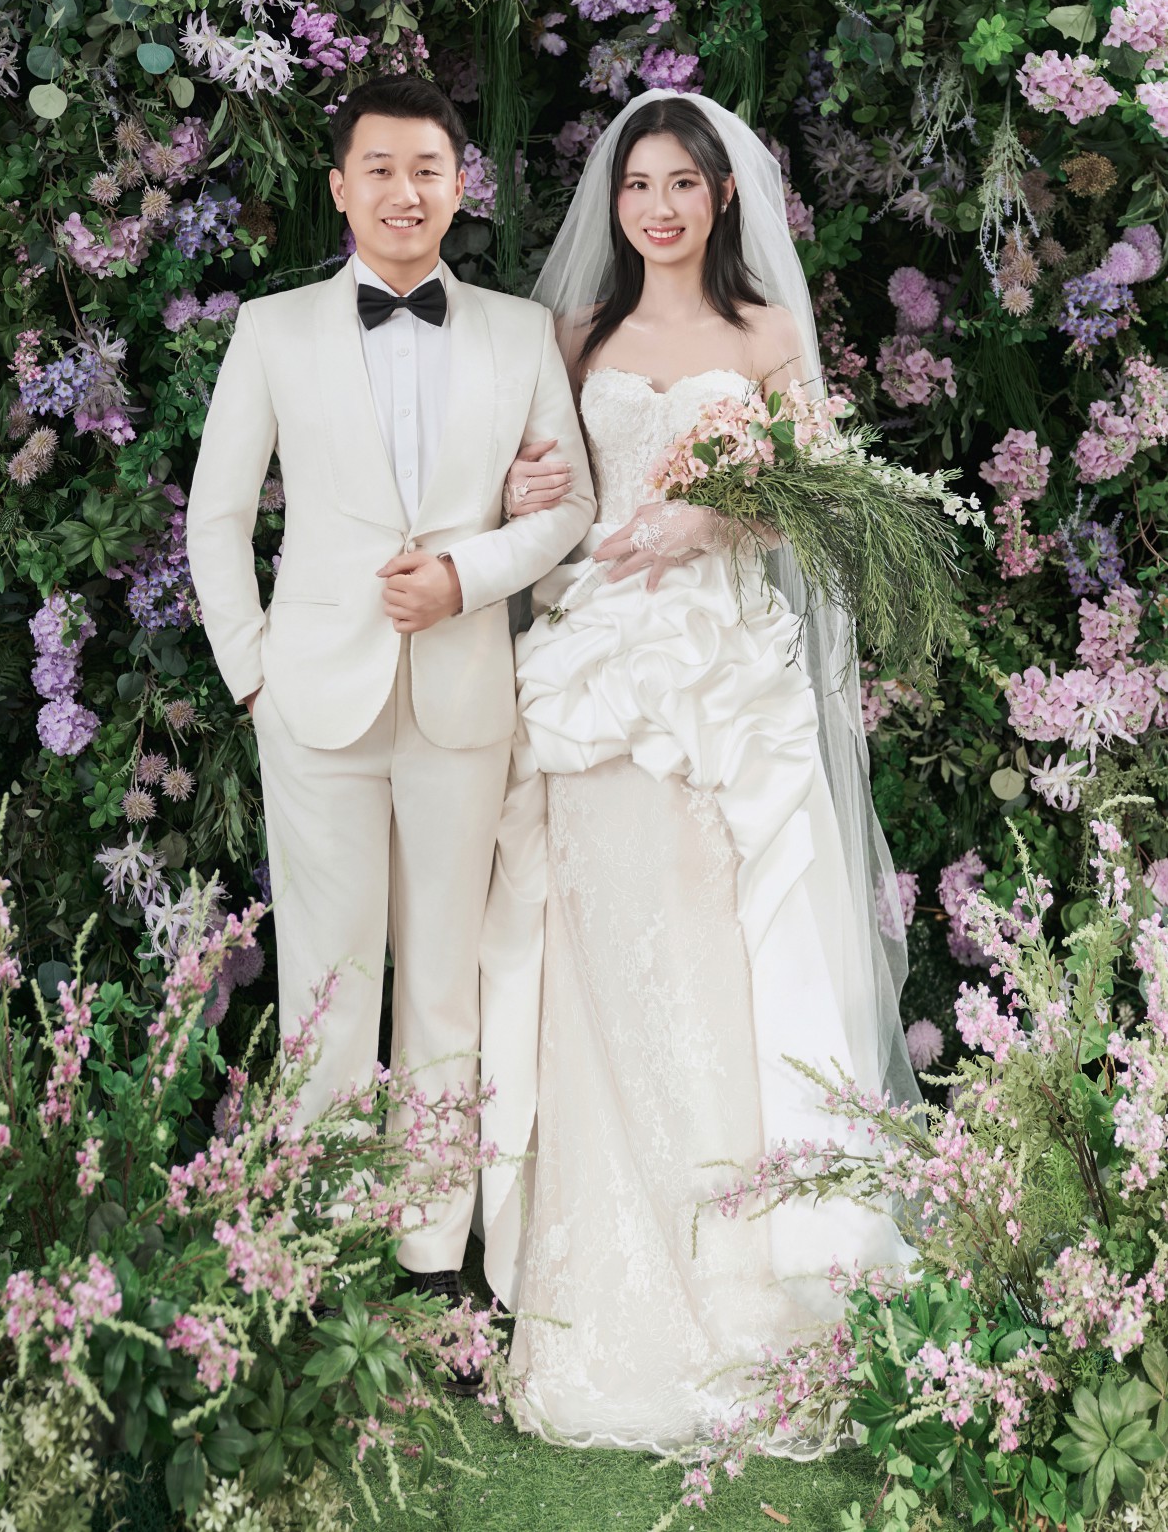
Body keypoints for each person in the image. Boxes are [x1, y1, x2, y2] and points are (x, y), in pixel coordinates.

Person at [478, 89, 919, 1452]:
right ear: (611, 203)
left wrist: (713, 517)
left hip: (718, 676)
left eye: (681, 183)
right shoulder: (574, 335)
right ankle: (602, 1287)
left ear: (723, 196)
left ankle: (745, 1288)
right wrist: (524, 497)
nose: (657, 207)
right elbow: (537, 486)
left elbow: (819, 496)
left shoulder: (767, 333)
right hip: (597, 671)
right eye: (636, 185)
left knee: (722, 953)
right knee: (595, 951)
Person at [186, 76, 596, 1333]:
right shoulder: (272, 329)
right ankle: (310, 1245)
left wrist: (467, 575)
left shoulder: (519, 334)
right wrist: (254, 676)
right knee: (325, 977)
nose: (403, 192)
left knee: (443, 982)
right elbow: (215, 516)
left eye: (426, 169)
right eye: (379, 168)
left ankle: (429, 1254)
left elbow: (571, 506)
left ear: (459, 186)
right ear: (340, 187)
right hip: (315, 702)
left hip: (462, 700)